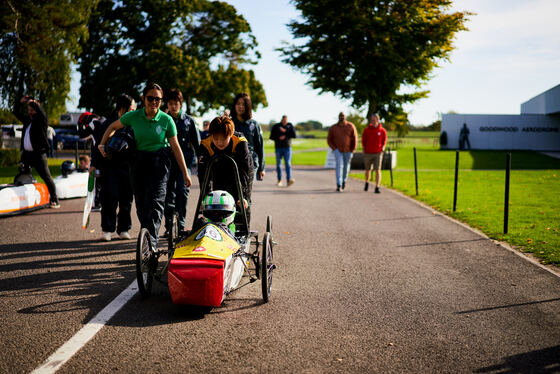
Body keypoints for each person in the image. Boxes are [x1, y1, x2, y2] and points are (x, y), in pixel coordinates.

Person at [98, 83, 192, 248]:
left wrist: (185, 173)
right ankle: (147, 234)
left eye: (158, 99)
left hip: (160, 164)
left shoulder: (166, 120)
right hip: (138, 162)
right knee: (141, 205)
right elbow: (113, 126)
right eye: (151, 98)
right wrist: (102, 143)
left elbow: (176, 148)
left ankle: (151, 246)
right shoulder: (134, 116)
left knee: (155, 203)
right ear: (143, 98)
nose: (154, 102)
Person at [87, 95, 136, 241]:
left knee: (126, 200)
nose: (134, 110)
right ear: (123, 108)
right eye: (132, 108)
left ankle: (124, 229)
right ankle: (107, 229)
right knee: (109, 198)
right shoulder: (107, 123)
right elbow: (97, 147)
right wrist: (93, 165)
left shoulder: (133, 124)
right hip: (110, 167)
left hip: (128, 167)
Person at [197, 115, 254, 229]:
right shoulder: (205, 144)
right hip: (218, 169)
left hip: (240, 171)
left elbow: (244, 172)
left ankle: (242, 230)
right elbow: (204, 175)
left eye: (224, 139)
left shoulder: (240, 142)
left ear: (230, 135)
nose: (220, 142)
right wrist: (204, 198)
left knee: (240, 203)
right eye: (216, 138)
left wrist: (243, 196)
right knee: (219, 198)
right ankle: (217, 228)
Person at [163, 88, 201, 235]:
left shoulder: (189, 121)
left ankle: (181, 226)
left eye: (176, 103)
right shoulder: (163, 119)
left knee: (182, 192)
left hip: (184, 164)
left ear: (181, 104)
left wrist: (201, 162)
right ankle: (168, 227)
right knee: (167, 195)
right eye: (171, 103)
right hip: (167, 163)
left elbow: (198, 145)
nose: (173, 106)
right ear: (167, 104)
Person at [13, 95, 60, 208]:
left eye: (32, 109)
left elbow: (41, 112)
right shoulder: (28, 121)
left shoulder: (42, 120)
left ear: (37, 108)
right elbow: (15, 112)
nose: (30, 111)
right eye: (29, 110)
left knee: (46, 177)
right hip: (27, 155)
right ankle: (23, 198)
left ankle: (55, 199)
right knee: (22, 173)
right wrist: (20, 101)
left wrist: (32, 102)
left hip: (39, 154)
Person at [230, 93, 265, 181]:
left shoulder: (254, 125)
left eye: (244, 104)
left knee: (246, 192)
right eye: (238, 104)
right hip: (232, 163)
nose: (240, 106)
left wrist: (261, 168)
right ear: (234, 105)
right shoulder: (229, 123)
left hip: (251, 163)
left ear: (248, 106)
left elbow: (260, 147)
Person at [327, 112, 358, 192]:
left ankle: (344, 181)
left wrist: (352, 149)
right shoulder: (333, 128)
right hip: (338, 151)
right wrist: (334, 148)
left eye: (343, 116)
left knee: (346, 167)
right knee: (339, 166)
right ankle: (339, 183)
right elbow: (329, 139)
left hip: (348, 151)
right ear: (338, 117)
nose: (342, 117)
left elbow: (355, 138)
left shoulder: (350, 126)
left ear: (345, 117)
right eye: (340, 116)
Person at [362, 113, 387, 193]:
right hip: (368, 152)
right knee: (367, 169)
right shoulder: (366, 130)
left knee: (377, 169)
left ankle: (377, 186)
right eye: (372, 120)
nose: (373, 121)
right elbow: (363, 141)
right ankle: (367, 182)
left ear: (378, 120)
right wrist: (364, 150)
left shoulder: (382, 131)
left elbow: (384, 141)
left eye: (374, 120)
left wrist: (383, 148)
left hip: (378, 153)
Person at [270, 115, 296, 187]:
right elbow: (271, 137)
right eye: (283, 120)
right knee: (279, 165)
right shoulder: (276, 126)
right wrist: (279, 138)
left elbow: (294, 135)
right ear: (282, 120)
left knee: (288, 164)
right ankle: (279, 180)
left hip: (287, 148)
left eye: (286, 120)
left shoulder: (290, 125)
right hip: (278, 147)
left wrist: (286, 132)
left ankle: (288, 180)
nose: (285, 121)